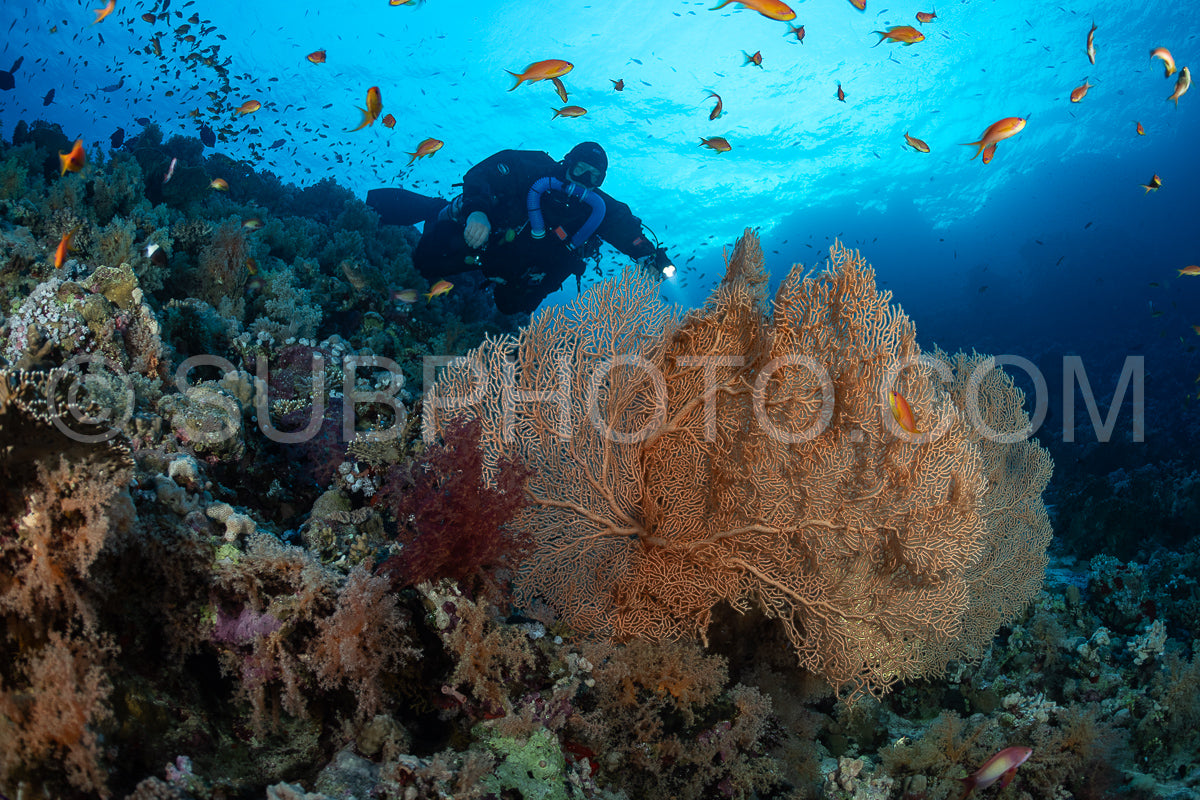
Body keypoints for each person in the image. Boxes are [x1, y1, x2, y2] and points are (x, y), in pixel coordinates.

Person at [367, 142, 674, 315]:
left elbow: (626, 230)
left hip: (522, 266)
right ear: (567, 161)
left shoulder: (598, 207)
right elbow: (483, 173)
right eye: (581, 168)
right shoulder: (533, 169)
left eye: (595, 177)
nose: (584, 180)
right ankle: (438, 208)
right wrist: (478, 211)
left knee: (512, 308)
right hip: (485, 240)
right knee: (424, 263)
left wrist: (648, 255)